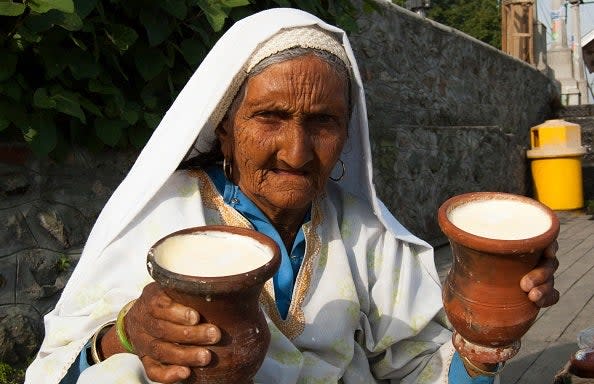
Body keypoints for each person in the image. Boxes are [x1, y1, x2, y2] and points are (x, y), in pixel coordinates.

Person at [25, 8, 559, 384]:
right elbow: (59, 368)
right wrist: (124, 335)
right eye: (270, 117)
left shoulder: (364, 236)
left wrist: (484, 334)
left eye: (323, 122)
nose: (297, 153)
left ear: (348, 133)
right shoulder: (163, 218)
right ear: (225, 128)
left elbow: (422, 368)